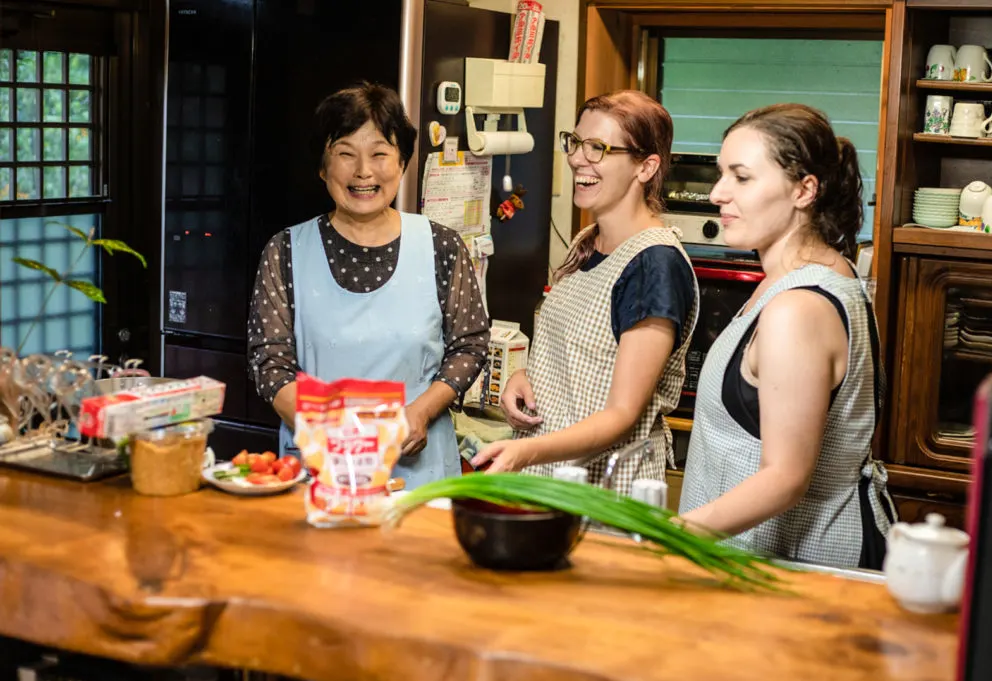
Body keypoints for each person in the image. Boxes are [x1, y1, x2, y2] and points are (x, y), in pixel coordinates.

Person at [677, 103, 895, 570]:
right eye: (721, 175)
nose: (718, 193)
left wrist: (673, 535)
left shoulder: (798, 309)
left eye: (741, 177)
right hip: (755, 561)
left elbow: (786, 476)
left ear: (804, 189)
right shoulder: (812, 274)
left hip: (800, 567)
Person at [247, 83, 488, 489]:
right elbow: (269, 363)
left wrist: (423, 412)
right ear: (323, 167)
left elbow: (470, 344)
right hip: (318, 468)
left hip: (418, 470)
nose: (363, 171)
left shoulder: (441, 246)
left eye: (379, 153)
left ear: (402, 163)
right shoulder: (285, 251)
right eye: (345, 153)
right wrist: (328, 435)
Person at [470, 90, 699, 495]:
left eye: (598, 148)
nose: (577, 158)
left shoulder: (654, 264)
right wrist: (527, 376)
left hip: (603, 492)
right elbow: (585, 357)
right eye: (575, 143)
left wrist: (525, 453)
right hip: (549, 477)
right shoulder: (588, 242)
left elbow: (622, 414)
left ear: (645, 167)